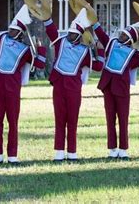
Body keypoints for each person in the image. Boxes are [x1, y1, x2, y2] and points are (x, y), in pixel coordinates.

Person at [0, 2, 47, 164]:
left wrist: (40, 49)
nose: (10, 30)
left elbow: (40, 65)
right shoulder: (1, 38)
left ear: (20, 32)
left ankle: (13, 156)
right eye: (10, 27)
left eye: (13, 29)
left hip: (13, 87)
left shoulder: (26, 49)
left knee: (13, 121)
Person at [44, 8, 105, 161]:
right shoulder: (60, 42)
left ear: (79, 36)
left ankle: (72, 152)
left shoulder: (85, 51)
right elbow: (51, 31)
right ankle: (59, 152)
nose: (70, 36)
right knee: (59, 119)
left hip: (73, 87)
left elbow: (98, 67)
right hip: (58, 85)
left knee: (73, 119)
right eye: (69, 33)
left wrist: (100, 51)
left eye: (73, 34)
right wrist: (46, 17)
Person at [93, 20, 139, 159]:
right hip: (108, 86)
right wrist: (95, 22)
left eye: (124, 35)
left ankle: (123, 149)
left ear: (129, 39)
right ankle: (112, 149)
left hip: (122, 89)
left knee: (123, 119)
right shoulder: (111, 44)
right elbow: (102, 36)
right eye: (121, 33)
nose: (120, 35)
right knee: (110, 119)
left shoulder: (134, 54)